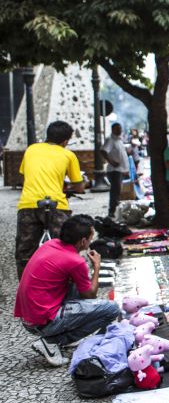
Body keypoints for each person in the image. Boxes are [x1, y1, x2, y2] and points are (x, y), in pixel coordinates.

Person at [14, 215, 120, 367]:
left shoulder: (50, 244)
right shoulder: (75, 261)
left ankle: (60, 334)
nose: (91, 241)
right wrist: (97, 266)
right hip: (41, 322)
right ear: (83, 241)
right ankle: (52, 341)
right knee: (111, 309)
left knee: (76, 282)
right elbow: (90, 295)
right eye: (91, 237)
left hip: (28, 317)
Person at [15, 121, 86, 279]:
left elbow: (22, 177)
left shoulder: (31, 149)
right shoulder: (68, 155)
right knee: (64, 249)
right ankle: (62, 286)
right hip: (56, 205)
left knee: (24, 253)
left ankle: (25, 288)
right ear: (66, 141)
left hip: (29, 203)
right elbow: (79, 187)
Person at [100, 122, 128, 218]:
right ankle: (112, 211)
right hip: (114, 170)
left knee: (118, 191)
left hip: (120, 170)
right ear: (113, 129)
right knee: (115, 191)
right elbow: (103, 151)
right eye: (117, 129)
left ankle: (116, 210)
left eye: (120, 128)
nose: (120, 130)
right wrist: (111, 162)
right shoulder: (110, 140)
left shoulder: (119, 140)